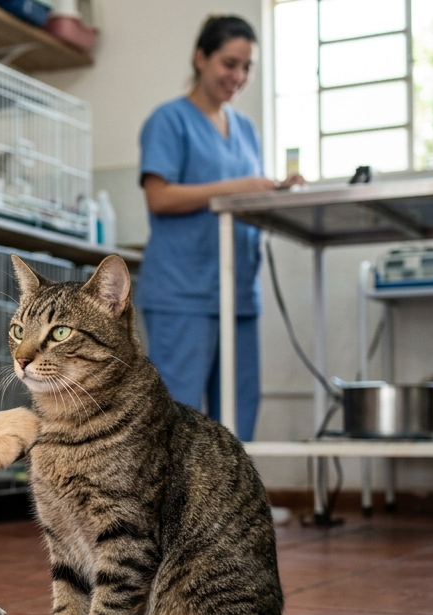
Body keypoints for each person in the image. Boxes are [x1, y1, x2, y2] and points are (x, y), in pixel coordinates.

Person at [135, 14, 303, 441]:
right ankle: (176, 508)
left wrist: (276, 191)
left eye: (247, 67)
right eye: (230, 63)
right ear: (200, 57)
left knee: (239, 406)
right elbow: (160, 197)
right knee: (179, 411)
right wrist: (237, 187)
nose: (239, 76)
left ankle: (235, 506)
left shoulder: (245, 130)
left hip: (239, 292)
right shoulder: (169, 120)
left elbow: (247, 195)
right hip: (182, 291)